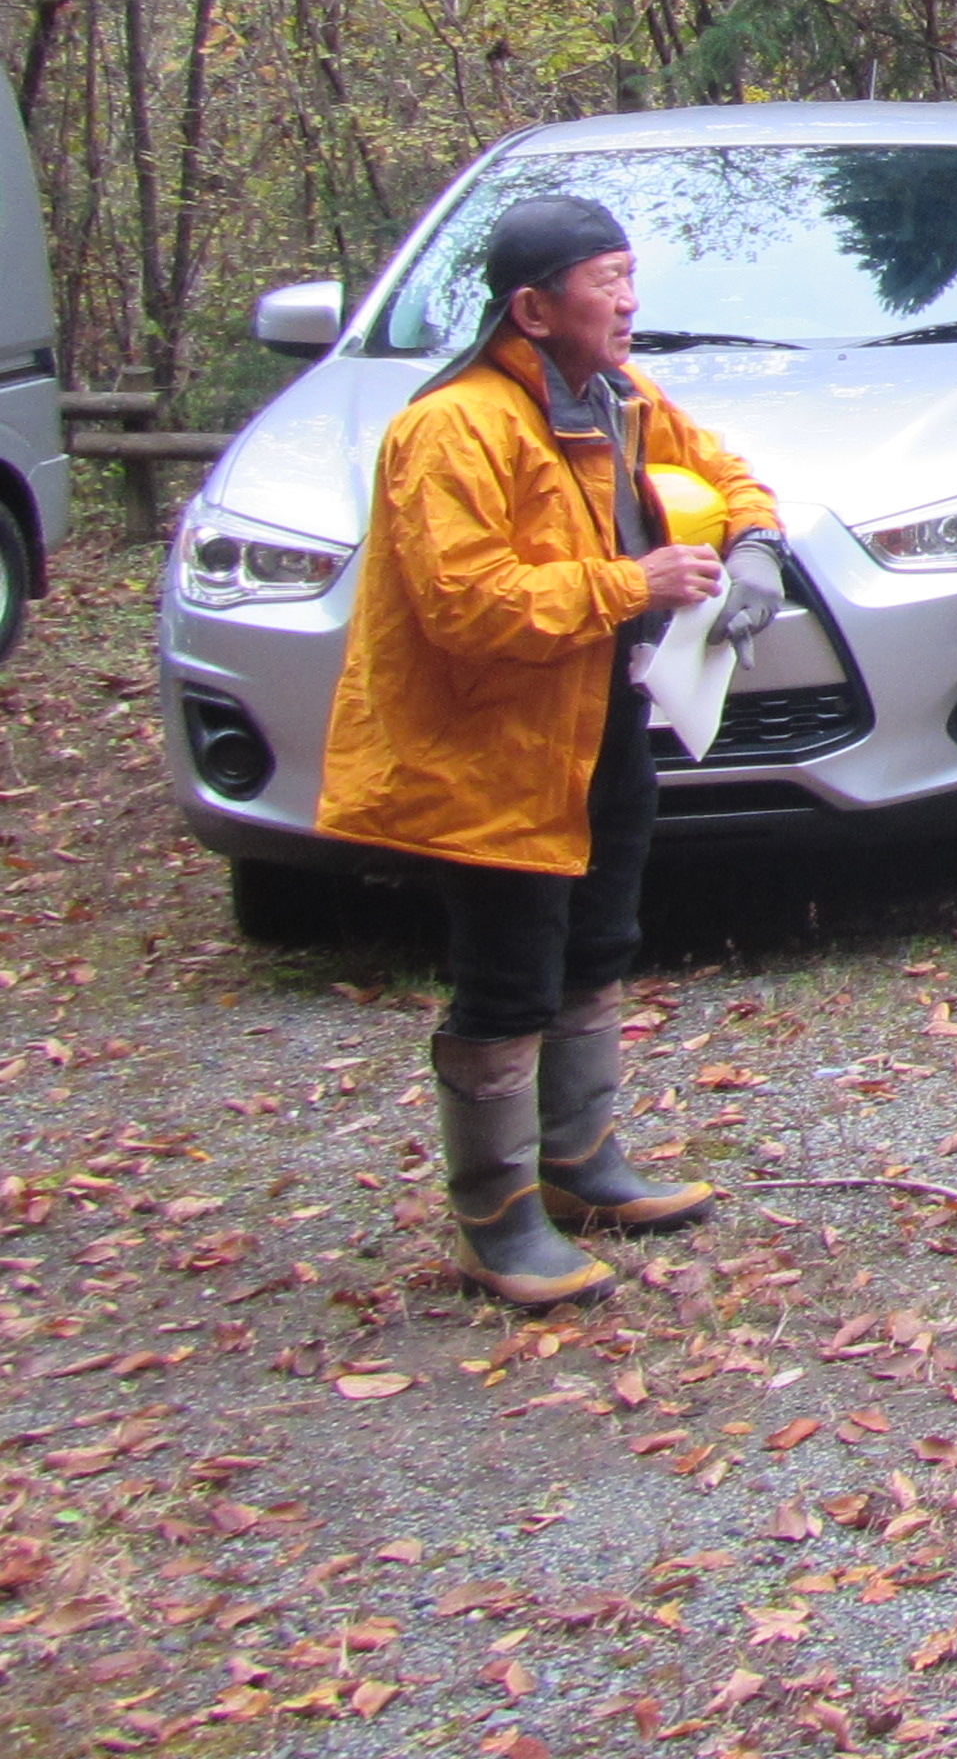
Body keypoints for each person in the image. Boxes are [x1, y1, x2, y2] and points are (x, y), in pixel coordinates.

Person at [317, 196, 787, 1308]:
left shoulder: (616, 399)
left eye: (631, 275)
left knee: (598, 939)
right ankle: (494, 1216)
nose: (628, 301)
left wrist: (755, 545)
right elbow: (464, 603)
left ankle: (580, 1167)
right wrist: (638, 583)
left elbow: (722, 471)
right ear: (532, 308)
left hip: (598, 721)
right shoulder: (453, 429)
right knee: (508, 975)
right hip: (487, 751)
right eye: (604, 280)